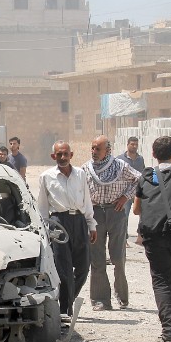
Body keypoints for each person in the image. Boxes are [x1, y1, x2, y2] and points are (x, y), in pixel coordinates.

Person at [133, 136, 171, 342]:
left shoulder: (146, 176)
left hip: (154, 237)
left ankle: (168, 332)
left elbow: (137, 209)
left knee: (162, 282)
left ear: (154, 154)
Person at [37, 141, 98, 319]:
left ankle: (67, 300)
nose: (62, 157)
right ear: (53, 156)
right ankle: (64, 310)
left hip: (79, 221)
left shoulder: (80, 174)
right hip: (58, 222)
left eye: (65, 154)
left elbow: (87, 201)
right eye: (59, 154)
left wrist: (91, 224)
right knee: (63, 270)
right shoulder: (46, 177)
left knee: (83, 267)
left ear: (71, 155)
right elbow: (42, 207)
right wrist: (44, 230)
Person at [82, 135, 141, 311]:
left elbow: (138, 179)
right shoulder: (86, 168)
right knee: (97, 259)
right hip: (95, 214)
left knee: (118, 258)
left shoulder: (120, 166)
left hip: (116, 213)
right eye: (92, 148)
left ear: (107, 150)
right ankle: (101, 300)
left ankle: (122, 297)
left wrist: (126, 197)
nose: (94, 152)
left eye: (97, 149)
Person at [117, 136, 146, 239]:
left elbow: (143, 174)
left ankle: (140, 236)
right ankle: (124, 238)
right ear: (127, 145)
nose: (134, 146)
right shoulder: (120, 159)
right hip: (125, 192)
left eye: (136, 145)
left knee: (142, 214)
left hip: (138, 191)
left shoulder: (140, 159)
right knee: (124, 215)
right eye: (132, 144)